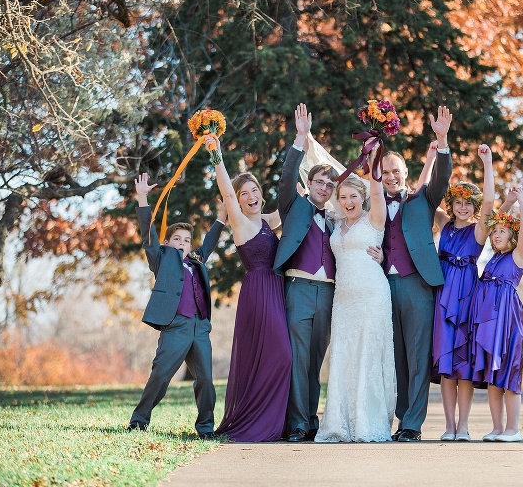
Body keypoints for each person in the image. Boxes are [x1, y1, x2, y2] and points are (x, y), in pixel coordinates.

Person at [273, 103, 383, 442]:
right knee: (298, 357)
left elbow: (368, 235)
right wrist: (300, 139)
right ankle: (298, 424)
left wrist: (379, 257)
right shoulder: (293, 206)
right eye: (319, 181)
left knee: (316, 361)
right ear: (310, 184)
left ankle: (311, 418)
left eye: (329, 182)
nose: (324, 186)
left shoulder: (339, 220)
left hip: (332, 294)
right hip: (300, 289)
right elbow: (286, 180)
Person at [128, 172, 226, 439]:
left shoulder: (196, 261)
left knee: (205, 379)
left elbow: (209, 243)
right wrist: (143, 197)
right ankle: (139, 420)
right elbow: (147, 234)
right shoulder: (161, 259)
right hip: (176, 326)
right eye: (177, 239)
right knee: (161, 376)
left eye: (186, 240)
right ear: (167, 243)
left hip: (199, 327)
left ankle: (205, 427)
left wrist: (221, 215)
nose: (183, 243)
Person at [207, 135, 293, 442]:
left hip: (277, 288)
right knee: (282, 354)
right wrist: (216, 154)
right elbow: (226, 193)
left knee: (274, 355)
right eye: (245, 193)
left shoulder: (268, 221)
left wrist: (304, 159)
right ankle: (258, 421)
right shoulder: (241, 223)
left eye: (254, 189)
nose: (250, 195)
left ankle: (274, 421)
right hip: (258, 291)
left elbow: (296, 205)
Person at [383, 106, 453, 442]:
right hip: (383, 288)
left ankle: (412, 425)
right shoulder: (374, 204)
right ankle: (401, 417)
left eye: (395, 171)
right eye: (385, 172)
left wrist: (441, 141)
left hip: (417, 285)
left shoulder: (422, 199)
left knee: (416, 355)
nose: (391, 176)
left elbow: (441, 177)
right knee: (395, 357)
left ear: (405, 172)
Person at [315, 151, 396, 442]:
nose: (348, 202)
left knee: (368, 355)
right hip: (343, 300)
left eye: (353, 196)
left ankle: (368, 423)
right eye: (343, 197)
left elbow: (377, 188)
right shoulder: (336, 224)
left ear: (362, 197)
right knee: (344, 356)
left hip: (372, 295)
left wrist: (374, 157)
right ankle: (340, 423)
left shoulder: (374, 218)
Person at [429, 144, 495, 442]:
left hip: (468, 297)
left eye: (469, 204)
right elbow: (428, 195)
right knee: (446, 364)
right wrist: (433, 159)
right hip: (443, 297)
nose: (463, 207)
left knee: (463, 364)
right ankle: (449, 426)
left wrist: (488, 163)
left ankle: (465, 426)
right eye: (458, 203)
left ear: (474, 207)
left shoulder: (478, 231)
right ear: (452, 204)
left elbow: (491, 200)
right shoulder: (444, 225)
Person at [471, 186, 523, 443]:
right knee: (493, 377)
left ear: (513, 236)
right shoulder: (492, 259)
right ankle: (497, 428)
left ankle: (512, 429)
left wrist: (521, 200)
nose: (496, 235)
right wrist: (505, 203)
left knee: (508, 373)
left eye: (502, 232)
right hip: (488, 322)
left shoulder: (518, 256)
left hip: (507, 322)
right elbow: (493, 220)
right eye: (494, 232)